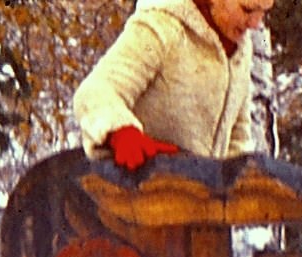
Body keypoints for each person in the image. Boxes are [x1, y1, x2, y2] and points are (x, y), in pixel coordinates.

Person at [72, 0, 272, 168]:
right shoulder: (161, 27)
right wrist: (122, 133)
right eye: (247, 10)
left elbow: (237, 138)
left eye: (263, 12)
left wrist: (239, 183)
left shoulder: (240, 51)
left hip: (197, 198)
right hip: (135, 191)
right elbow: (95, 92)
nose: (255, 24)